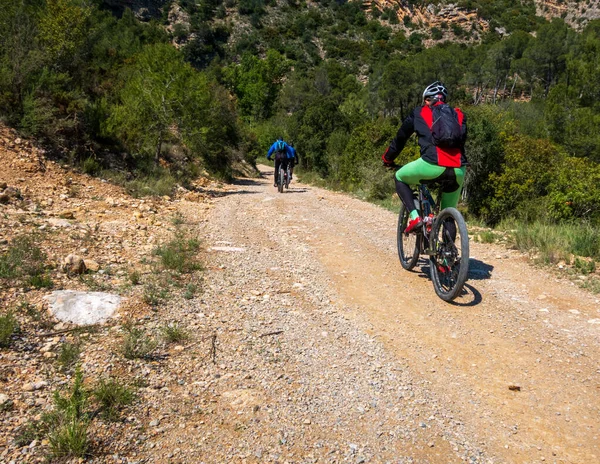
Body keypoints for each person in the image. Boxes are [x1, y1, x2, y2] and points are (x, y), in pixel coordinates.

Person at [381, 81, 467, 234]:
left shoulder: (419, 112)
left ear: (427, 100)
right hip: (458, 169)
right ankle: (449, 255)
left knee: (399, 177)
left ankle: (415, 217)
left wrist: (388, 159)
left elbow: (400, 139)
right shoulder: (459, 115)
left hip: (430, 165)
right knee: (448, 213)